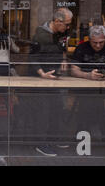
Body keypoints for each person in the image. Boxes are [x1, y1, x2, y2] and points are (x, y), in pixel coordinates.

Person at [28, 8, 73, 156]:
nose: (68, 28)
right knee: (43, 111)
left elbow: (62, 48)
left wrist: (64, 59)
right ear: (57, 21)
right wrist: (42, 73)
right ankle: (41, 143)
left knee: (57, 108)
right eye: (66, 24)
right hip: (42, 77)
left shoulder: (61, 33)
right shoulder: (40, 36)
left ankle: (53, 138)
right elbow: (32, 58)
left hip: (54, 76)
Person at [70, 25, 105, 147]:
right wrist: (87, 75)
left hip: (104, 88)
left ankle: (104, 133)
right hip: (85, 89)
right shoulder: (81, 48)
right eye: (94, 43)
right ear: (89, 39)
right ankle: (84, 136)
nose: (98, 46)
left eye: (101, 42)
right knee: (88, 106)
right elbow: (73, 70)